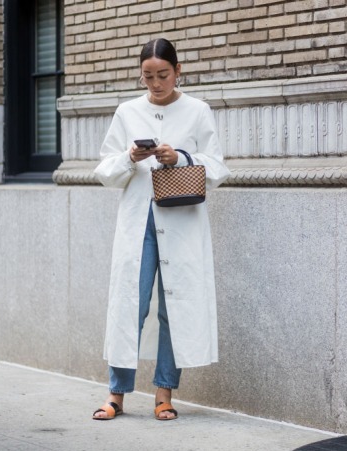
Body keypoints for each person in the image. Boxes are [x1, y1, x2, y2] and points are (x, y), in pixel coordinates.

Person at [91, 38, 230, 421]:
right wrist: (129, 157)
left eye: (163, 75)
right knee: (129, 305)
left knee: (175, 308)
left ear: (178, 71)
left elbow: (217, 167)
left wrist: (181, 157)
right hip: (138, 224)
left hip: (181, 222)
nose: (155, 83)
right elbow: (104, 169)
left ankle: (164, 392)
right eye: (148, 76)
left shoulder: (198, 111)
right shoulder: (127, 111)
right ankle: (116, 394)